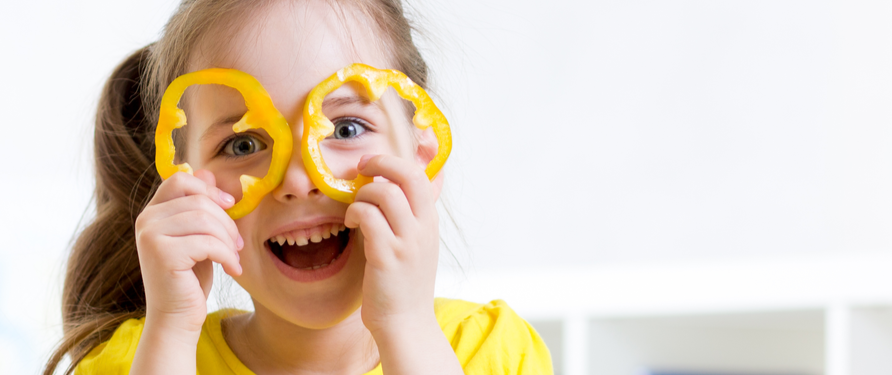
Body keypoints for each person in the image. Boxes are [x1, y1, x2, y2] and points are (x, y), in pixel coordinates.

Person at [44, 0, 553, 374]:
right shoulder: (135, 361)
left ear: (422, 155)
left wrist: (406, 328)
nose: (296, 180)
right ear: (180, 180)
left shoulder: (494, 353)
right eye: (243, 145)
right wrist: (170, 334)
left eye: (346, 128)